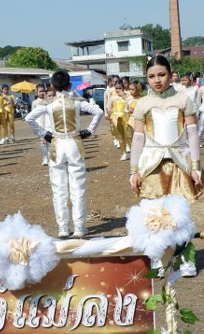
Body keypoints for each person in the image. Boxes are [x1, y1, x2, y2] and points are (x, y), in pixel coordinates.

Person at [129, 56, 204, 277]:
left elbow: (192, 134)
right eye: (151, 76)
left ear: (170, 74)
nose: (157, 80)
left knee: (180, 215)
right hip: (151, 165)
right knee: (153, 213)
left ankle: (185, 259)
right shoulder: (143, 103)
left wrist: (196, 166)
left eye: (161, 74)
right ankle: (157, 258)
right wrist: (133, 170)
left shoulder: (183, 100)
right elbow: (138, 138)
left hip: (179, 163)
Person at [25, 70, 103, 238]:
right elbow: (99, 112)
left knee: (58, 188)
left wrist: (43, 133)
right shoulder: (77, 102)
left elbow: (29, 118)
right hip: (75, 143)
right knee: (78, 187)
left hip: (57, 144)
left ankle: (63, 227)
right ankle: (80, 227)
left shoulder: (48, 104)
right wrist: (89, 130)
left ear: (52, 87)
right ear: (69, 85)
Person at [107, 80, 129, 160]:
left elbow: (131, 104)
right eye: (116, 88)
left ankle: (130, 147)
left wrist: (124, 97)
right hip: (116, 118)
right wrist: (114, 113)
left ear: (123, 87)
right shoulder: (113, 97)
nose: (118, 90)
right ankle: (123, 152)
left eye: (120, 88)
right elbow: (109, 108)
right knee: (120, 135)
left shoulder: (128, 95)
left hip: (126, 118)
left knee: (129, 134)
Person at [30, 84, 50, 166]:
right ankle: (45, 158)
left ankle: (50, 158)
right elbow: (32, 116)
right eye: (40, 91)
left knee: (50, 142)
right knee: (43, 141)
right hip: (40, 124)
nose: (42, 93)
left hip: (48, 124)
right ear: (36, 92)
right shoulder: (35, 102)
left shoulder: (48, 101)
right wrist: (34, 127)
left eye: (43, 91)